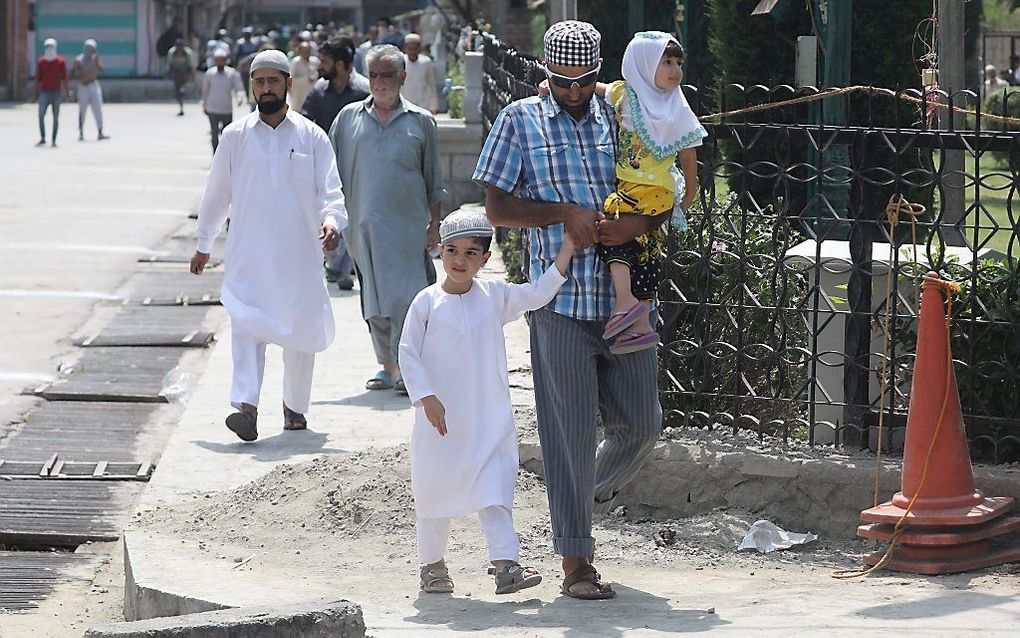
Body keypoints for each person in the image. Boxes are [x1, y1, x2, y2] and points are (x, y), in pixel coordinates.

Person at [472, 20, 664, 600]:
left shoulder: (621, 118)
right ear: (546, 74)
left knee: (643, 425)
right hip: (557, 304)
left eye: (583, 82)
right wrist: (562, 214)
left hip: (625, 303)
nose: (573, 92)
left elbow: (659, 190)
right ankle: (576, 562)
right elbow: (498, 208)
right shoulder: (519, 121)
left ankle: (576, 501)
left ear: (597, 75)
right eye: (562, 81)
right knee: (571, 435)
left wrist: (637, 223)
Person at [399, 210, 575, 595]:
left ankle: (506, 566)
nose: (459, 261)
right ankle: (432, 566)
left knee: (495, 489)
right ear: (439, 252)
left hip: (487, 420)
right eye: (452, 251)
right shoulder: (426, 303)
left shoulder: (494, 298)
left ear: (484, 258)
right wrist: (426, 397)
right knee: (435, 493)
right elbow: (408, 353)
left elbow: (536, 293)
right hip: (439, 425)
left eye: (470, 253)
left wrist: (566, 250)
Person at [190, 50, 347, 441]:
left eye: (272, 81)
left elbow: (332, 191)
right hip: (249, 255)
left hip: (298, 255)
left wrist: (332, 222)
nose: (265, 88)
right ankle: (246, 407)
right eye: (259, 82)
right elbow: (216, 194)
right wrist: (204, 241)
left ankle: (294, 408)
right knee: (245, 325)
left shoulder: (311, 136)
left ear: (288, 84)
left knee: (300, 329)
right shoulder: (235, 136)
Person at [330, 44, 445, 395]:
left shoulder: (421, 121)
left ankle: (405, 368)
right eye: (374, 74)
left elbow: (434, 181)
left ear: (403, 77)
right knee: (375, 302)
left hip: (407, 228)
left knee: (407, 300)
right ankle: (387, 366)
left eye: (387, 75)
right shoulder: (348, 118)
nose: (379, 82)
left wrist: (435, 224)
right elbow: (327, 175)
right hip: (362, 228)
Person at [586, 32, 704, 354]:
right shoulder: (627, 94)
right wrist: (550, 85)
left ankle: (624, 303)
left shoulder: (677, 106)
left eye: (678, 62)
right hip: (634, 186)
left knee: (612, 232)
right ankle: (639, 324)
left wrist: (689, 194)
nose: (675, 69)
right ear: (643, 63)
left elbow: (689, 152)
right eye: (666, 61)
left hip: (652, 191)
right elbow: (598, 88)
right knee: (646, 251)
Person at [300, 35, 369, 291]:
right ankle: (338, 266)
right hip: (327, 168)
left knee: (356, 216)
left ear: (340, 65)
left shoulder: (364, 92)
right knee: (331, 213)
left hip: (360, 167)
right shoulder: (319, 91)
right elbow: (304, 124)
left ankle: (345, 266)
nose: (320, 66)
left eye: (325, 61)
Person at [201, 48, 244, 152]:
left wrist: (239, 97)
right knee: (214, 133)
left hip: (226, 109)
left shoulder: (232, 73)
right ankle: (215, 154)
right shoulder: (210, 74)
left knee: (227, 134)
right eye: (218, 59)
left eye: (222, 59)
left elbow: (239, 88)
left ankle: (226, 154)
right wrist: (204, 105)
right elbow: (205, 91)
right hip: (213, 108)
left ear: (225, 60)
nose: (220, 62)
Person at [35, 38, 70, 147]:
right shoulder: (41, 62)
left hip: (56, 92)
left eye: (51, 47)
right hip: (44, 92)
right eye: (47, 47)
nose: (49, 49)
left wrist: (67, 91)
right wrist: (37, 93)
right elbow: (38, 78)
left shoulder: (60, 62)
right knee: (41, 115)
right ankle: (43, 138)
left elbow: (65, 78)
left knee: (55, 117)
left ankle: (54, 140)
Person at [72, 39, 108, 141]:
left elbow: (102, 70)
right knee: (82, 110)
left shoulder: (95, 59)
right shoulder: (79, 59)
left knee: (97, 108)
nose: (90, 51)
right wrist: (76, 68)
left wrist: (97, 63)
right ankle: (81, 132)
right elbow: (73, 73)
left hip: (93, 85)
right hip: (83, 87)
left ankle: (100, 131)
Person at [402, 33, 438, 114]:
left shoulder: (426, 62)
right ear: (405, 48)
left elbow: (431, 84)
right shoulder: (401, 61)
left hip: (423, 106)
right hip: (405, 106)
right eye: (410, 48)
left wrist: (434, 105)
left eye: (415, 48)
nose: (412, 51)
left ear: (419, 48)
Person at [168, 37, 196, 116]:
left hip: (185, 73)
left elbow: (191, 65)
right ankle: (181, 105)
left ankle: (183, 95)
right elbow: (171, 64)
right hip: (177, 73)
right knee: (178, 91)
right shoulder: (172, 52)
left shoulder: (187, 53)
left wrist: (192, 76)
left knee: (182, 89)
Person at [288, 42, 319, 111]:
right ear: (300, 52)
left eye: (308, 51)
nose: (306, 54)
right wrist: (306, 80)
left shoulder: (315, 61)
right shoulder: (296, 62)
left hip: (312, 93)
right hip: (299, 95)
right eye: (304, 52)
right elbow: (291, 80)